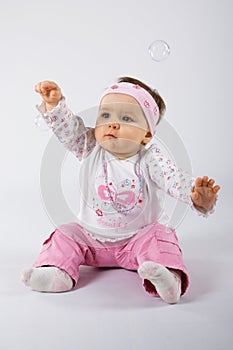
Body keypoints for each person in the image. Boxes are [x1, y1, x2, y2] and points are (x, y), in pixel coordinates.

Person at [22, 77, 220, 304]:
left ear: (147, 134)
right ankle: (57, 273)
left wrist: (195, 195)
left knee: (159, 235)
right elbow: (69, 130)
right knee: (66, 233)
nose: (112, 124)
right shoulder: (89, 146)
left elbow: (173, 178)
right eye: (105, 116)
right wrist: (54, 106)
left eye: (126, 118)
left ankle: (169, 279)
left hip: (137, 242)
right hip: (92, 240)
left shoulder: (150, 159)